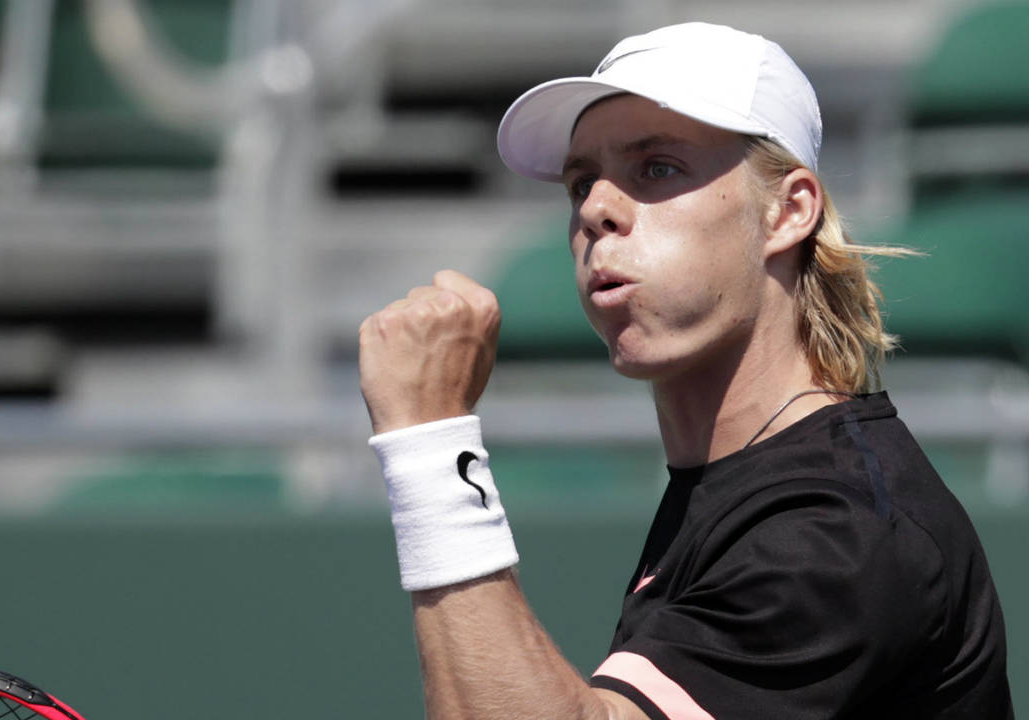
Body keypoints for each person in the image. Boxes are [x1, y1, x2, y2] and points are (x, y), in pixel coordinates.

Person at [357, 22, 1012, 720]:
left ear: (789, 212)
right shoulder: (753, 486)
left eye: (658, 167)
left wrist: (431, 438)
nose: (595, 209)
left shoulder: (834, 531)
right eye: (582, 181)